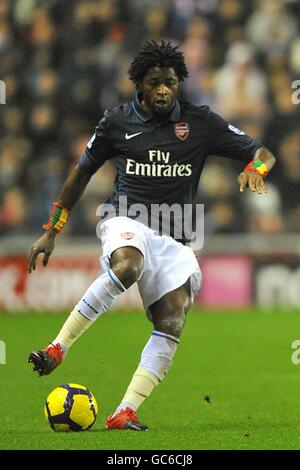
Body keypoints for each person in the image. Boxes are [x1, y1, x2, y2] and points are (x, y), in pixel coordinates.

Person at [28, 41, 276, 431]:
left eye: (170, 82)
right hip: (127, 219)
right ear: (140, 85)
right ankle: (57, 348)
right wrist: (52, 229)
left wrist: (256, 170)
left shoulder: (200, 123)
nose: (163, 90)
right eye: (155, 82)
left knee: (172, 319)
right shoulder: (115, 122)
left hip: (177, 237)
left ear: (179, 84)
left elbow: (262, 151)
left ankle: (124, 411)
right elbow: (81, 174)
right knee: (128, 266)